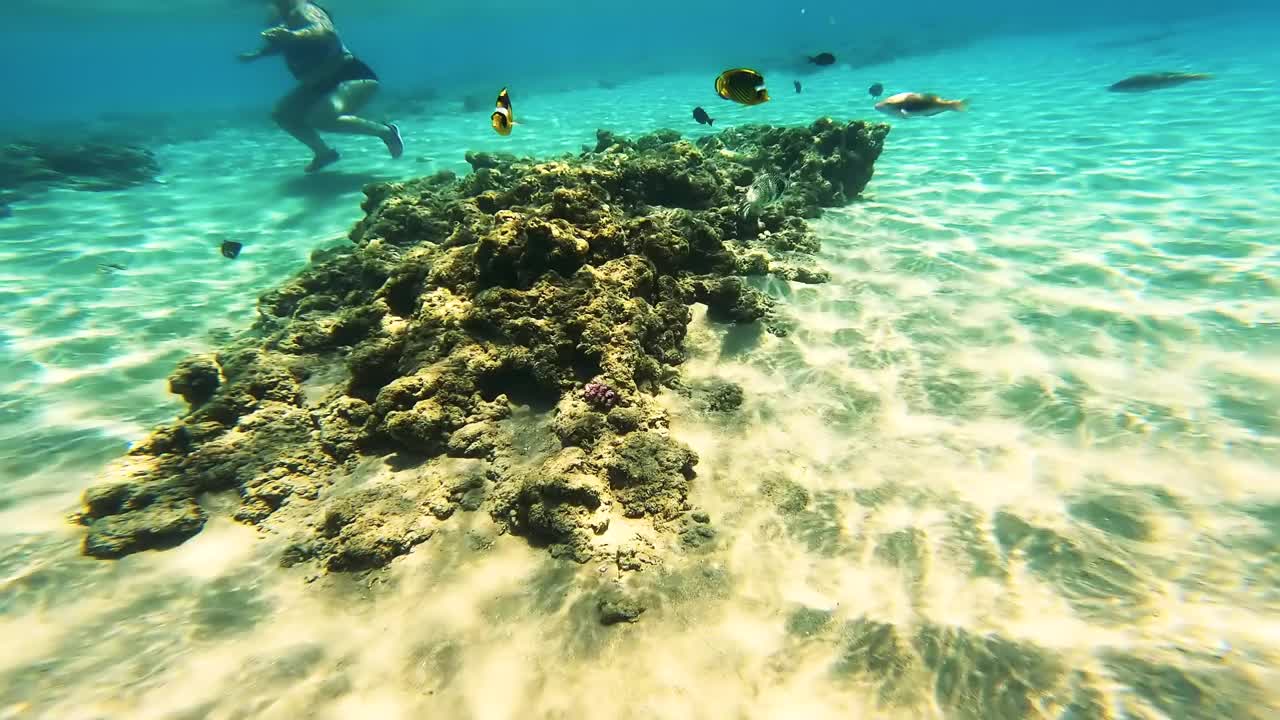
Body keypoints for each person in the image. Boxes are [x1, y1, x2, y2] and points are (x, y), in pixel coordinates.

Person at [239, 0, 403, 173]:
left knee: (322, 119)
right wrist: (257, 54)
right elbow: (283, 43)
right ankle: (324, 154)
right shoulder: (285, 16)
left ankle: (386, 132)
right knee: (282, 114)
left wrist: (293, 36)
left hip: (349, 76)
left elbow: (325, 30)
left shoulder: (305, 8)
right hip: (317, 83)